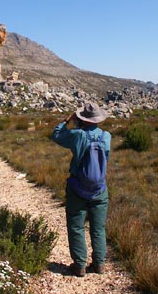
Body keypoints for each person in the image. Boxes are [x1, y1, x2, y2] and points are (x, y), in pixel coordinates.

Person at [51, 102, 111, 278]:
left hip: (78, 187)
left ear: (82, 118)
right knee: (98, 229)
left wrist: (66, 120)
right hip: (99, 189)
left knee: (76, 227)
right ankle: (99, 264)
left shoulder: (77, 135)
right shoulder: (106, 136)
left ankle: (80, 266)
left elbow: (56, 135)